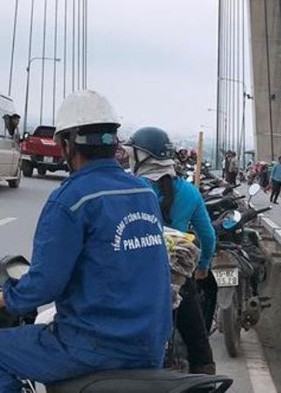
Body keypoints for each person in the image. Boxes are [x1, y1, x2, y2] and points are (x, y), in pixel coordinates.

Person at [0, 90, 172, 392]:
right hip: (151, 345)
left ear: (66, 144)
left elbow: (44, 285)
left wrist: (7, 297)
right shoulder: (144, 193)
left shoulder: (70, 201)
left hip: (95, 348)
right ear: (114, 141)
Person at [125, 127, 217, 374]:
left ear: (142, 156)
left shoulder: (130, 188)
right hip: (176, 280)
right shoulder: (190, 192)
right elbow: (207, 237)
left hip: (133, 277)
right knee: (199, 343)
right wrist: (203, 266)